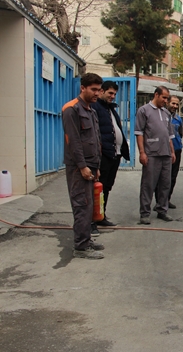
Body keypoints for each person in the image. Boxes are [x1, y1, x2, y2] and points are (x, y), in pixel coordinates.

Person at [62, 73, 105, 259]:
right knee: (81, 204)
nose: (97, 93)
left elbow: (95, 140)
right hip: (78, 167)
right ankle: (80, 247)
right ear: (82, 88)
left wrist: (96, 166)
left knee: (90, 206)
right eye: (93, 90)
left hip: (90, 165)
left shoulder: (91, 111)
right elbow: (74, 141)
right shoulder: (71, 109)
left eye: (99, 90)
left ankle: (86, 239)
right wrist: (82, 166)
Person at [91, 81, 130, 233]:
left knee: (106, 187)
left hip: (115, 154)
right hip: (103, 155)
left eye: (114, 94)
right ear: (101, 92)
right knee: (96, 189)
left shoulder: (111, 109)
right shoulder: (95, 108)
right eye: (110, 93)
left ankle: (101, 216)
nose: (113, 96)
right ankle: (91, 222)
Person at [135, 86, 176, 225]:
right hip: (151, 153)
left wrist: (172, 151)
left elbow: (169, 135)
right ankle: (144, 213)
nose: (166, 100)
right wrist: (142, 152)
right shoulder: (144, 111)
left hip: (165, 154)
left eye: (167, 98)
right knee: (148, 184)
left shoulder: (166, 113)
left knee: (165, 183)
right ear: (156, 95)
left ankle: (162, 210)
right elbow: (139, 133)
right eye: (164, 97)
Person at [155, 95, 183, 209]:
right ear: (167, 103)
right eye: (173, 103)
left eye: (177, 104)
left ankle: (167, 199)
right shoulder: (160, 116)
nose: (175, 106)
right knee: (160, 177)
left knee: (172, 177)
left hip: (176, 150)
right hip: (162, 151)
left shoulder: (178, 119)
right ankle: (159, 202)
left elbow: (180, 134)